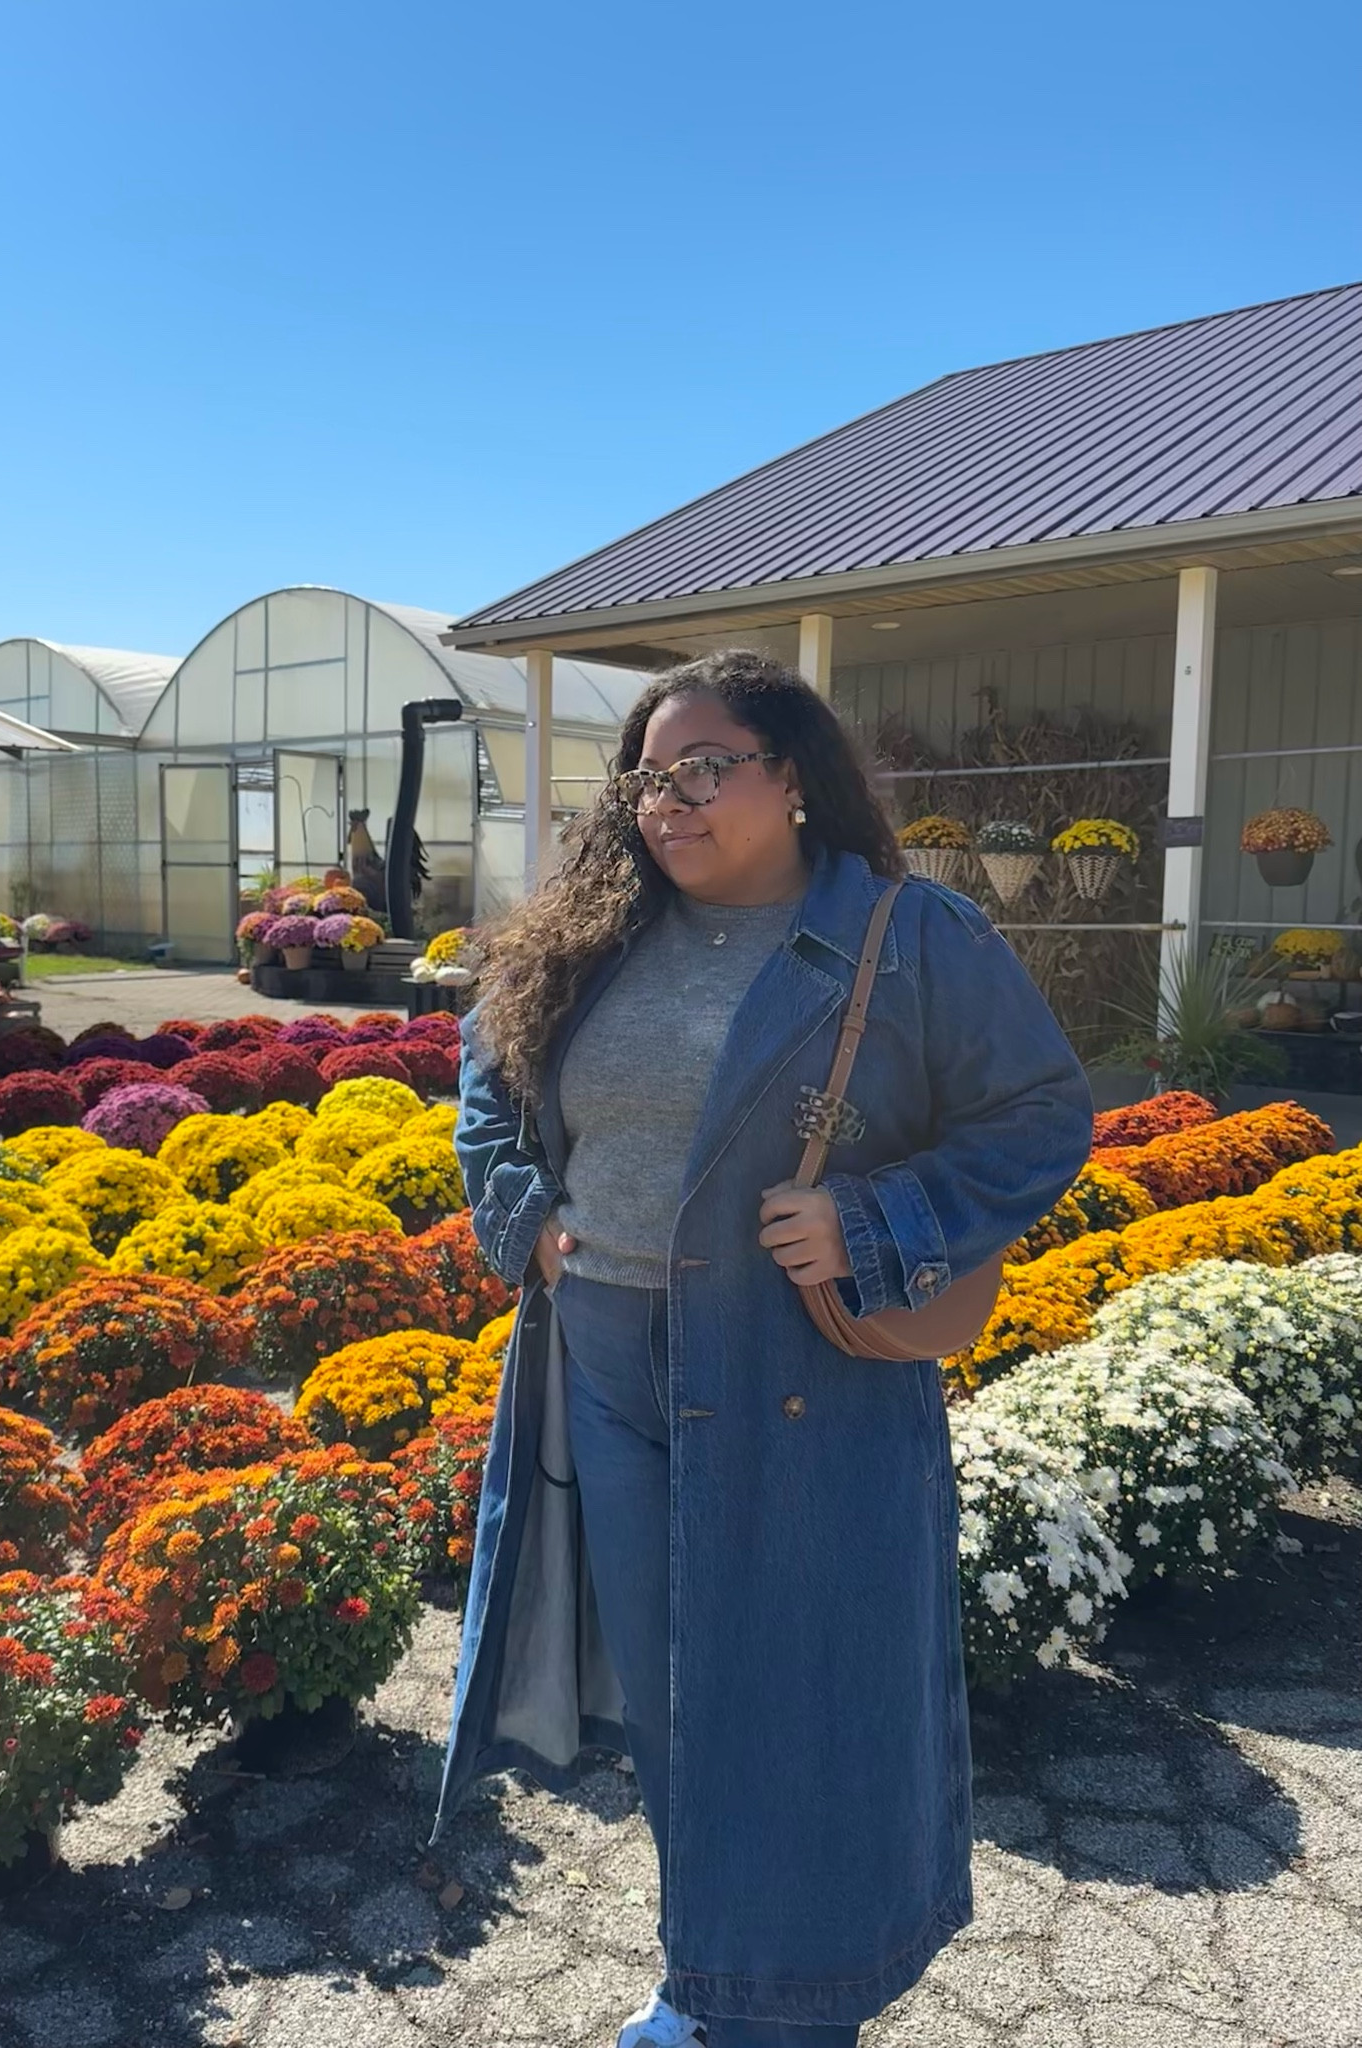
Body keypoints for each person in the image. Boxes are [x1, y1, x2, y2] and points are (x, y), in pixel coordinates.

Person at [431, 650, 1094, 2047]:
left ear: (793, 780)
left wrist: (878, 1215)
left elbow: (1040, 1115)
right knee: (677, 1691)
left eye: (705, 769)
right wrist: (529, 1216)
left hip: (799, 1370)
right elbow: (486, 1085)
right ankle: (709, 1971)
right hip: (603, 1361)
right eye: (647, 778)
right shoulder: (585, 933)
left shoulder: (912, 938)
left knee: (803, 1695)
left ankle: (806, 2002)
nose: (667, 803)